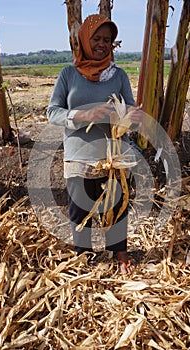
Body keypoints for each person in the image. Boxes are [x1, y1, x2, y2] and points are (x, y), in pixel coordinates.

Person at [47, 14, 143, 274]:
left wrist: (131, 118)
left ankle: (121, 254)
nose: (102, 44)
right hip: (79, 156)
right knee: (80, 211)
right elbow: (52, 112)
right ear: (84, 41)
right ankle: (84, 260)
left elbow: (132, 116)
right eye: (96, 38)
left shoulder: (118, 76)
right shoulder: (68, 75)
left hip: (113, 155)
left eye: (107, 40)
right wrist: (83, 115)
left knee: (117, 207)